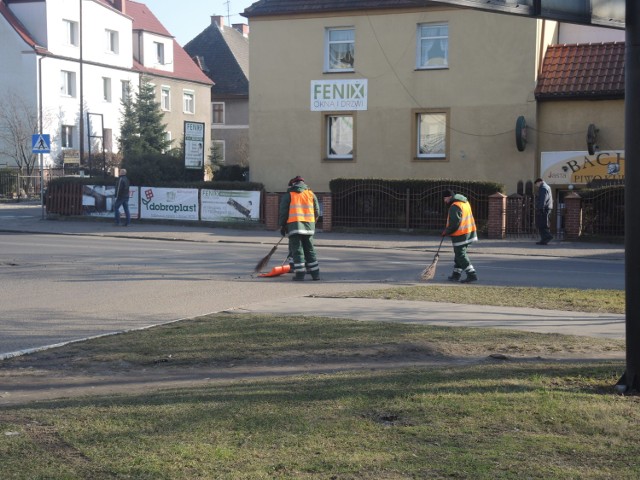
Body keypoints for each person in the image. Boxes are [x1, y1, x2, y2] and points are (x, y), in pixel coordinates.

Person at [279, 176, 320, 281]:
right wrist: (313, 222)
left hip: (294, 226)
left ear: (293, 184)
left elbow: (283, 213)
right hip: (309, 227)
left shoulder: (289, 195)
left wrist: (283, 226)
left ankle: (300, 274)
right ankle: (316, 275)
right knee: (310, 250)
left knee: (297, 251)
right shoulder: (311, 194)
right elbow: (317, 211)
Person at [442, 189, 478, 283]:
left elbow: (455, 223)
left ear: (449, 197)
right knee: (459, 255)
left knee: (460, 255)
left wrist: (446, 231)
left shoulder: (455, 206)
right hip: (469, 232)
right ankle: (456, 275)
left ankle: (471, 274)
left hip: (461, 234)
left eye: (444, 198)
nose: (444, 201)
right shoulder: (464, 202)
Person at [534, 177, 553, 245]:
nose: (537, 186)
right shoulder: (547, 187)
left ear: (540, 182)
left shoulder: (543, 188)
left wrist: (540, 208)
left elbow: (543, 199)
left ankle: (548, 236)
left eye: (537, 184)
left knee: (541, 224)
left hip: (544, 209)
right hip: (547, 208)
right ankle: (544, 240)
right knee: (544, 224)